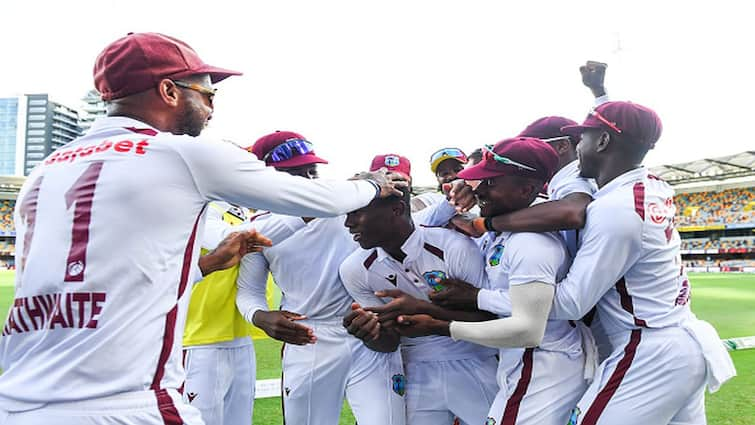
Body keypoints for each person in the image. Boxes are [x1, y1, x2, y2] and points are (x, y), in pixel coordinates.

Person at [0, 32, 404, 425]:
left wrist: (208, 264)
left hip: (20, 399)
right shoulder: (180, 153)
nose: (212, 108)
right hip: (121, 400)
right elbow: (324, 200)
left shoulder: (46, 170)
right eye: (208, 93)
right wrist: (373, 184)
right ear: (169, 91)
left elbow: (111, 280)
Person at [550, 101, 735, 424]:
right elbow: (628, 132)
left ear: (604, 141)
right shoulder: (651, 186)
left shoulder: (616, 209)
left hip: (648, 350)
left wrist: (486, 298)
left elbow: (571, 303)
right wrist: (599, 95)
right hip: (683, 343)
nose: (578, 146)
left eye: (584, 137)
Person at [389, 137, 589, 425]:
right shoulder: (498, 228)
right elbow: (414, 232)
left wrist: (443, 325)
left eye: (490, 182)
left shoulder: (531, 243)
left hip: (542, 363)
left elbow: (527, 330)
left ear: (527, 189)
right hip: (520, 362)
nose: (479, 190)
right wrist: (458, 198)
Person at [236, 132, 406, 425]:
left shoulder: (347, 205)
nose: (308, 180)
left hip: (368, 332)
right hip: (308, 338)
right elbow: (248, 291)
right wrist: (260, 316)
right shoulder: (258, 227)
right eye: (293, 173)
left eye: (311, 170)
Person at [339, 186, 499, 425]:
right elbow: (388, 344)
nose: (348, 223)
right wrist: (368, 334)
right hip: (414, 372)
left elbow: (493, 323)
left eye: (356, 213)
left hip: (476, 362)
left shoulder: (453, 246)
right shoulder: (355, 268)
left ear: (397, 209)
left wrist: (425, 313)